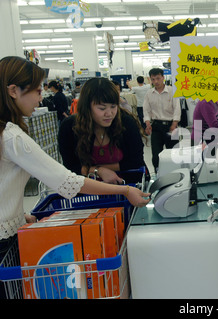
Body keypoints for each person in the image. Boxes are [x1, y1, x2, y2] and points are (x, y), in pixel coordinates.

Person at [0, 56, 150, 297]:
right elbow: (68, 180)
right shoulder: (12, 137)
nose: (41, 97)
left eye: (112, 106)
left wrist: (18, 216)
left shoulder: (7, 134)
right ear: (13, 91)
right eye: (37, 90)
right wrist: (121, 188)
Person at [58, 77, 148, 184]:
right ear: (87, 107)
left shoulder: (126, 123)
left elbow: (135, 162)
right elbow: (71, 166)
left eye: (113, 106)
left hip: (128, 185)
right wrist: (99, 171)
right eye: (102, 108)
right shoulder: (70, 127)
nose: (109, 113)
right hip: (89, 190)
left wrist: (93, 169)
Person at [143, 68, 181, 172]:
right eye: (153, 79)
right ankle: (158, 175)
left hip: (171, 126)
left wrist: (174, 124)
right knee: (156, 155)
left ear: (163, 78)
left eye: (158, 78)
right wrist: (147, 123)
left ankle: (175, 175)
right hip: (156, 126)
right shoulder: (149, 93)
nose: (155, 81)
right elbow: (146, 110)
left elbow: (177, 108)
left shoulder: (172, 91)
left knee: (173, 154)